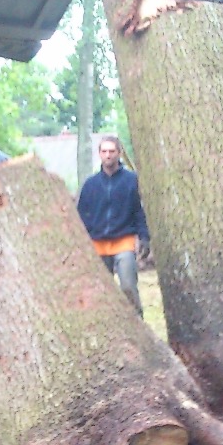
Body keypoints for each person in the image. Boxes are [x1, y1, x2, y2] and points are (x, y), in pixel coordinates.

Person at [77, 135, 149, 315]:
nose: (108, 155)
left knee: (128, 287)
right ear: (99, 154)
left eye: (111, 151)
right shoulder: (90, 184)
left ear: (119, 153)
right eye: (104, 151)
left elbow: (139, 211)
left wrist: (144, 236)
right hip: (97, 243)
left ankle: (137, 323)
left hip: (123, 240)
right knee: (101, 291)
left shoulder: (132, 180)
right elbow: (81, 215)